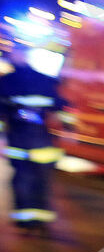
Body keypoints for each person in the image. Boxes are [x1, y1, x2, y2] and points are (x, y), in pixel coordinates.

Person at [0, 45, 63, 230]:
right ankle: (40, 217)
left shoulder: (6, 82)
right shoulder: (45, 80)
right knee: (41, 179)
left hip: (19, 140)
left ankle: (25, 218)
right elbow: (59, 106)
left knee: (22, 178)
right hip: (42, 140)